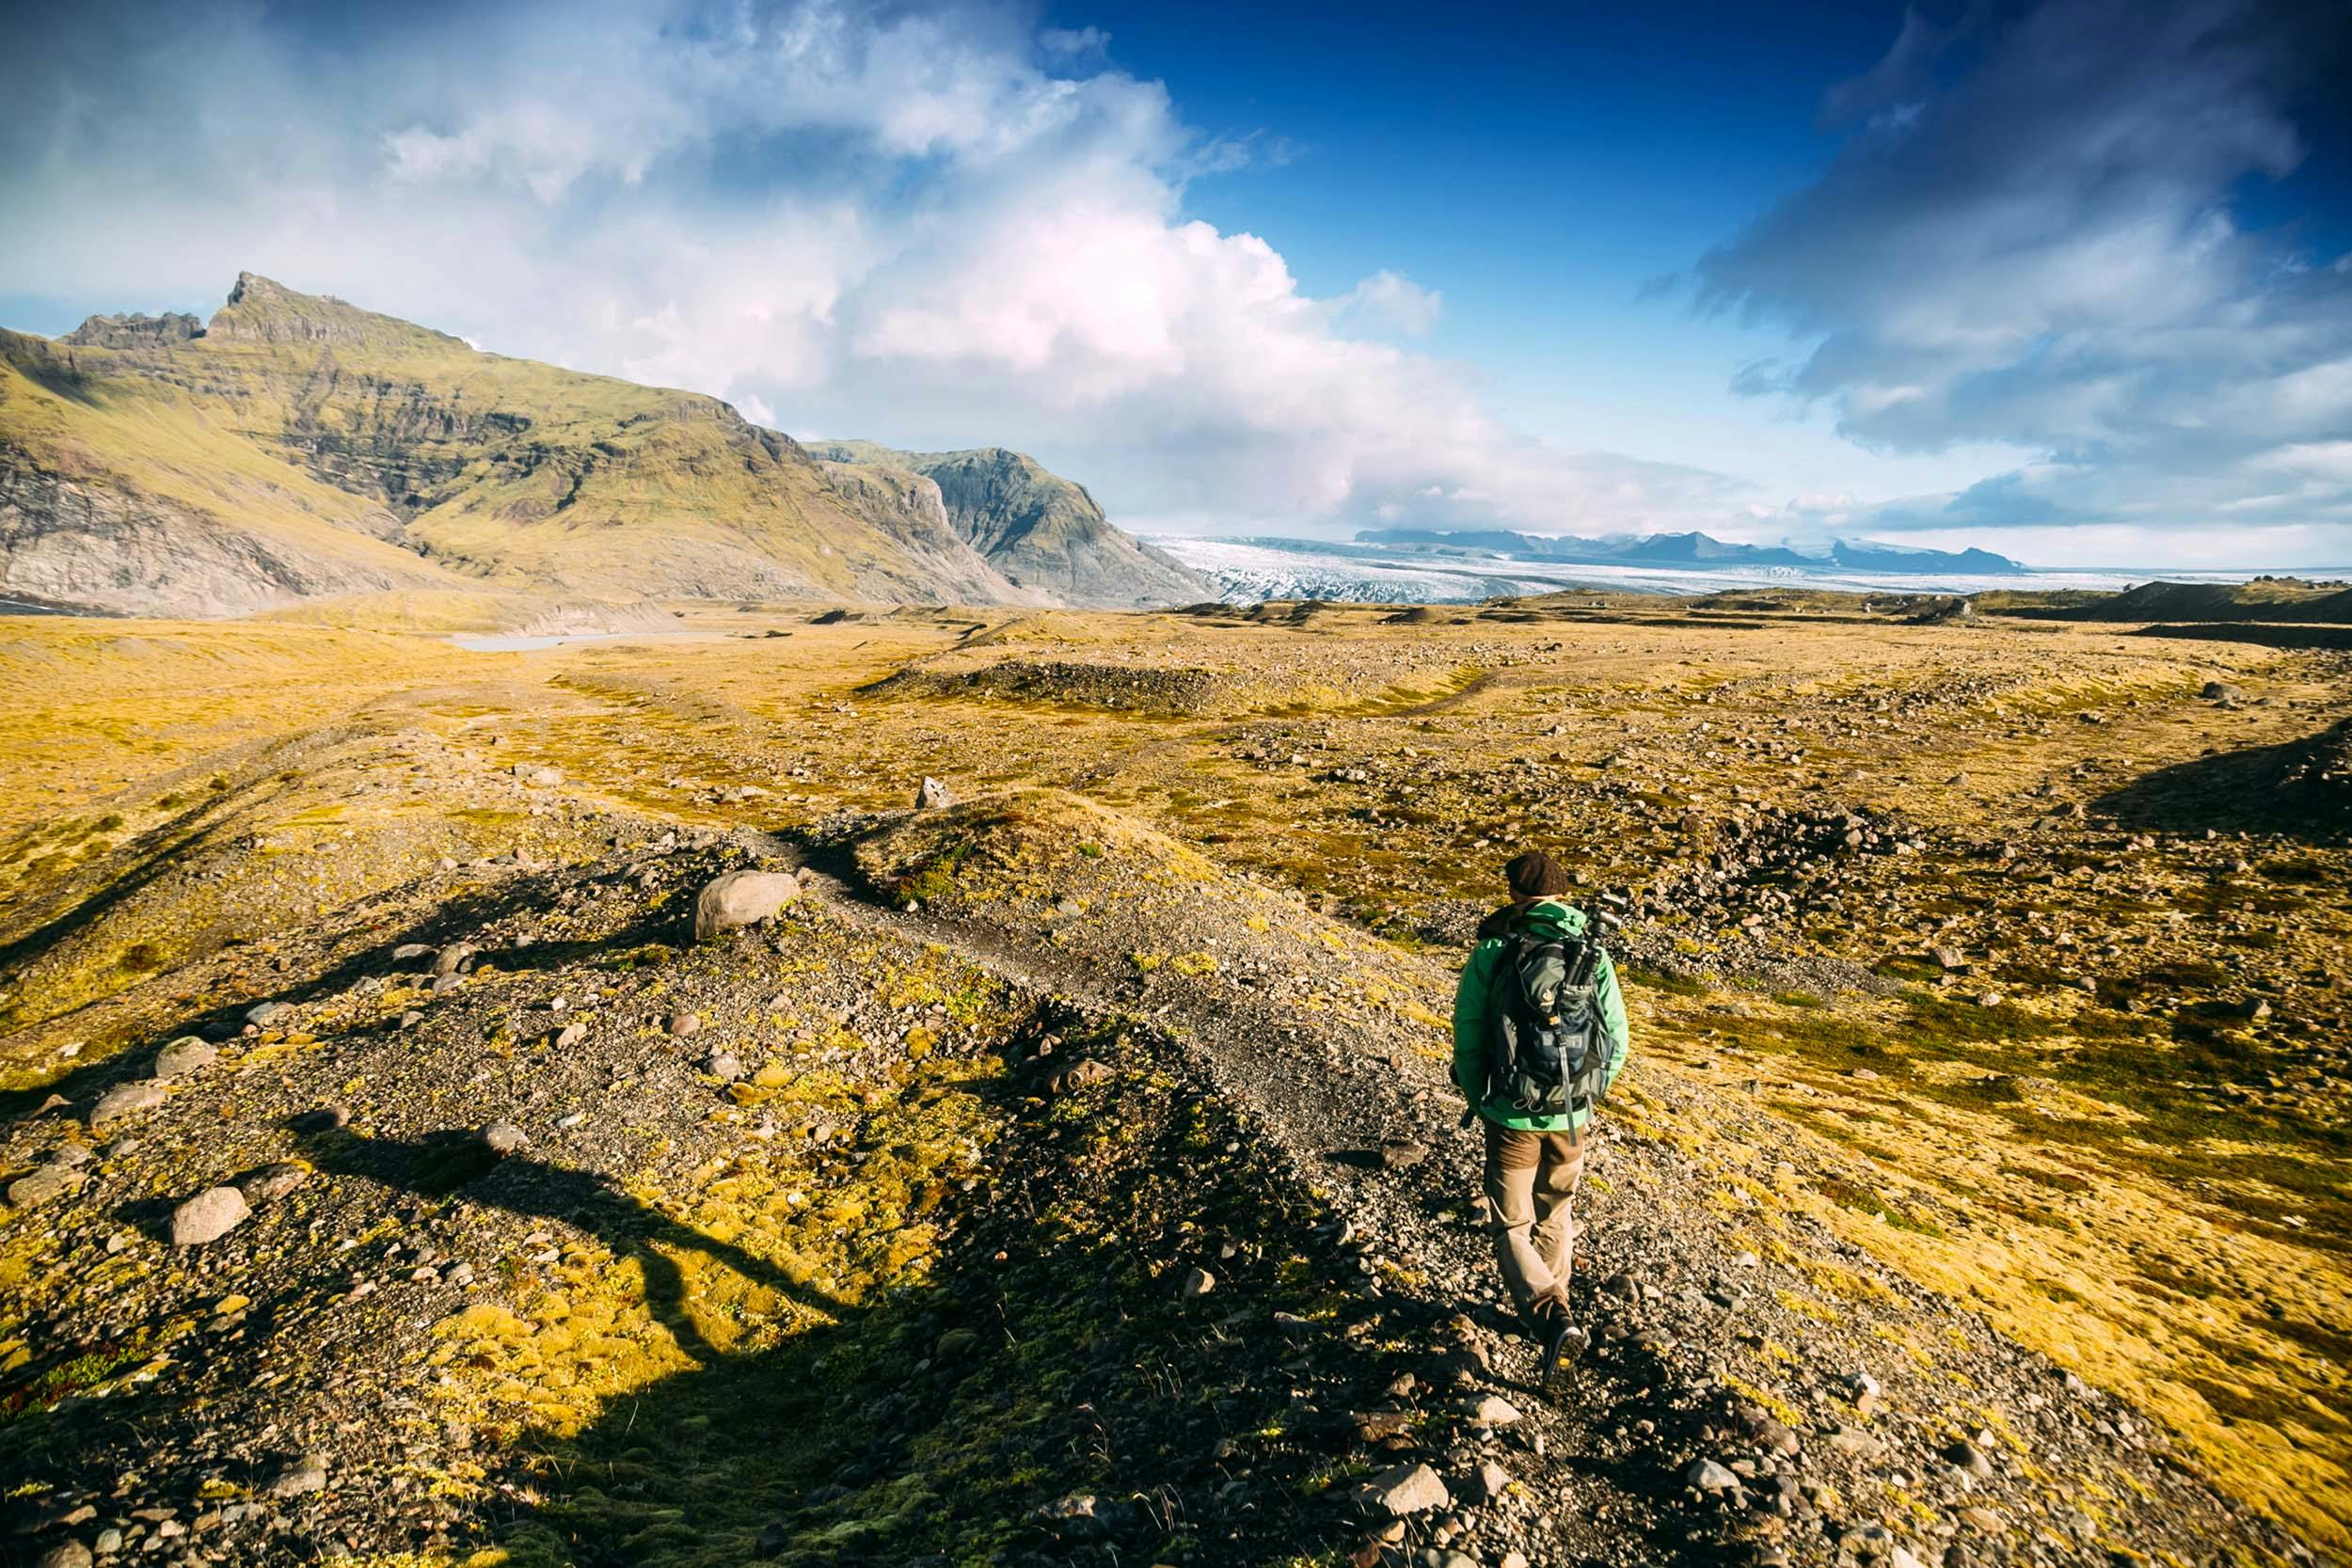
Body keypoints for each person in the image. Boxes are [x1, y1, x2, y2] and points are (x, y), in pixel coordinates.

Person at [1451, 849, 1631, 1378]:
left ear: (1513, 893)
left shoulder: (1495, 948)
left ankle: (1550, 1318)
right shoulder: (1590, 951)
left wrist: (1477, 1093)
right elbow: (1616, 1039)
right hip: (1574, 1113)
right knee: (1558, 1212)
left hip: (1511, 1110)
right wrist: (1585, 1092)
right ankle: (1558, 1308)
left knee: (1512, 1223)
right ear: (1561, 893)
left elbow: (1470, 1029)